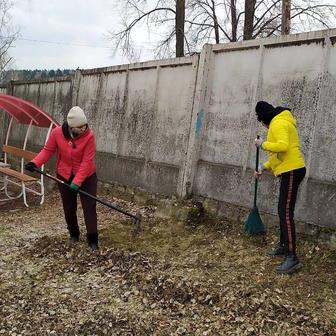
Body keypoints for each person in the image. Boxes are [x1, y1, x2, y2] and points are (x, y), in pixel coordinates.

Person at [25, 106, 99, 251]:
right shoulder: (57, 133)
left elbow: (86, 162)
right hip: (64, 174)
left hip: (87, 176)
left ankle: (93, 239)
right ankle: (73, 234)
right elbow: (47, 151)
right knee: (69, 207)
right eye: (80, 127)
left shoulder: (89, 136)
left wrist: (77, 182)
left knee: (89, 207)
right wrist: (35, 162)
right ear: (71, 127)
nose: (84, 129)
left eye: (84, 126)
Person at [254, 101, 306, 274]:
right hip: (290, 169)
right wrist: (263, 167)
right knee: (282, 210)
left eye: (262, 122)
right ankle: (284, 246)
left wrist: (262, 144)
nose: (264, 126)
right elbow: (278, 156)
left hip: (292, 170)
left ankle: (292, 257)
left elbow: (282, 147)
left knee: (285, 212)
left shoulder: (277, 123)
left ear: (264, 119)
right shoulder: (282, 121)